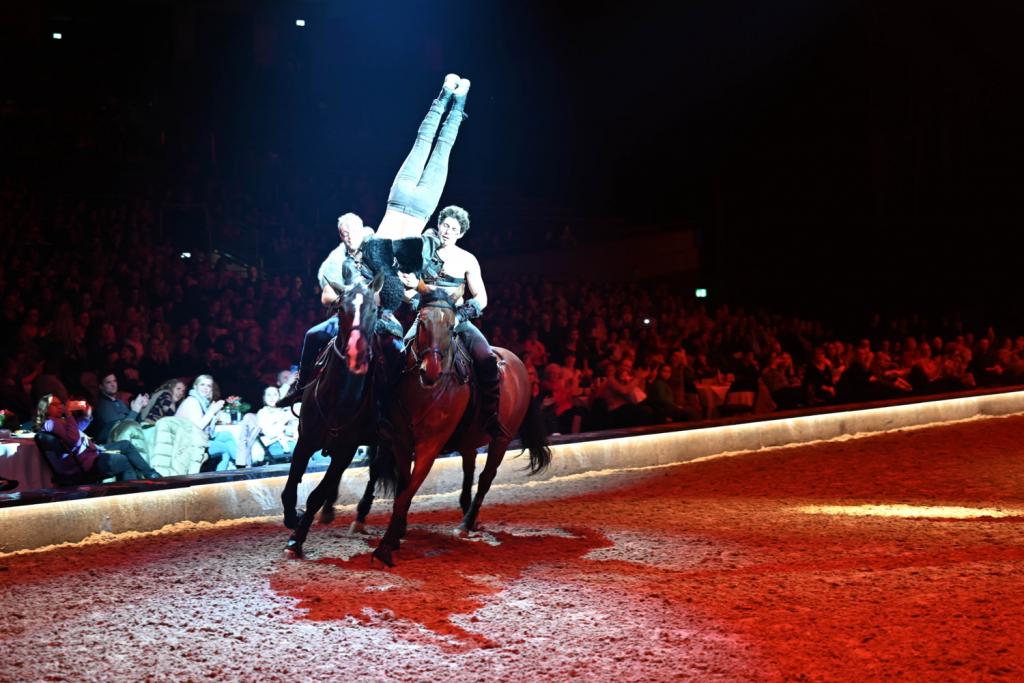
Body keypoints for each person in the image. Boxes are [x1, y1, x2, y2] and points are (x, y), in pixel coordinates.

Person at [278, 74, 471, 406]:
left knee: (431, 146)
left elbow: (367, 252)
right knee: (432, 145)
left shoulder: (374, 252)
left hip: (402, 202)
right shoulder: (383, 259)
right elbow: (404, 289)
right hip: (418, 206)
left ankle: (449, 97)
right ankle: (453, 99)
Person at [402, 205, 509, 438]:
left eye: (454, 228)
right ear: (439, 225)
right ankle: (387, 415)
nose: (448, 231)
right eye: (445, 225)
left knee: (486, 357)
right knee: (399, 357)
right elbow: (406, 288)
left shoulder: (467, 259)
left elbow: (482, 297)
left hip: (457, 319)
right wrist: (417, 302)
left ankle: (490, 415)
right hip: (427, 319)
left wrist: (460, 315)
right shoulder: (422, 253)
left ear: (461, 233)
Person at [36, 394, 160, 482]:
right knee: (124, 461)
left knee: (126, 445)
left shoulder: (58, 421)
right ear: (45, 408)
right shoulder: (50, 422)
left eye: (60, 404)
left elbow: (76, 431)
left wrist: (86, 417)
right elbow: (73, 439)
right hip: (87, 463)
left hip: (91, 452)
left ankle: (151, 474)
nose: (60, 406)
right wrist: (69, 414)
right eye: (54, 404)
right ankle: (134, 492)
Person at [174, 374, 237, 471]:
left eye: (208, 386)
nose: (205, 388)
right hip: (187, 444)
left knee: (227, 435)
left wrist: (213, 414)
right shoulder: (192, 401)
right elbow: (198, 428)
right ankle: (222, 476)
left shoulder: (202, 402)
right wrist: (212, 411)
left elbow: (207, 430)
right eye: (202, 385)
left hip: (196, 438)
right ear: (195, 387)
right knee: (225, 449)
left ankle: (241, 463)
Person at [91, 371, 149, 443]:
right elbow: (120, 430)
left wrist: (140, 408)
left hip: (128, 440)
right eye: (108, 382)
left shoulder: (119, 401)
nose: (113, 385)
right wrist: (135, 410)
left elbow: (133, 422)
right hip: (112, 445)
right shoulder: (102, 406)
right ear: (101, 386)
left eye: (114, 381)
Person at [256, 385, 299, 460]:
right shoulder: (262, 413)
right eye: (269, 395)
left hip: (291, 442)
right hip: (275, 445)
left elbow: (295, 430)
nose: (272, 397)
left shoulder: (285, 410)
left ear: (279, 397)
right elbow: (270, 434)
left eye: (275, 394)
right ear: (264, 398)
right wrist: (285, 419)